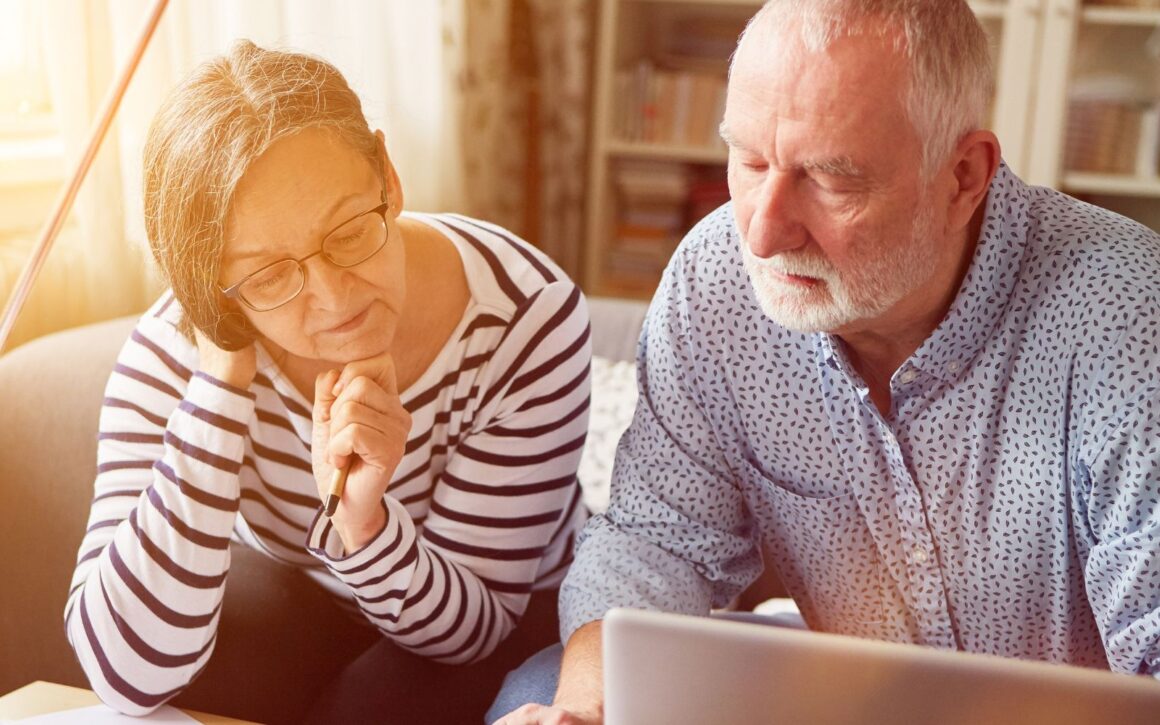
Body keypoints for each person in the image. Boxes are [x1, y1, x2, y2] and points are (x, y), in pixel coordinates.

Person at [491, 0, 1160, 722]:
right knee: (541, 690)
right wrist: (584, 712)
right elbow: (656, 540)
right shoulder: (717, 278)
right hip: (835, 692)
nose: (764, 231)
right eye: (748, 161)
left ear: (963, 176)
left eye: (830, 179)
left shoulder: (1126, 318)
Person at [63, 41, 592, 723]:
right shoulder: (178, 343)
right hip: (306, 597)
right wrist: (222, 379)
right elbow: (127, 672)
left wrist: (364, 522)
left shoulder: (527, 319)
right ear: (214, 290)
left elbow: (474, 630)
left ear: (388, 176)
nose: (335, 297)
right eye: (269, 275)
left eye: (347, 232)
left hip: (482, 620)